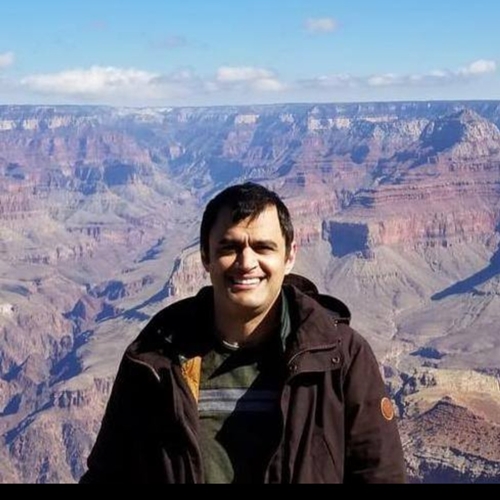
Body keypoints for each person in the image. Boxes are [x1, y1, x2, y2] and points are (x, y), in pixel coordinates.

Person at [79, 182, 407, 484]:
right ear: (205, 256)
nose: (246, 262)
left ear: (289, 256)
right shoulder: (155, 359)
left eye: (263, 247)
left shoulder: (341, 356)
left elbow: (380, 476)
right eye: (230, 247)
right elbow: (108, 476)